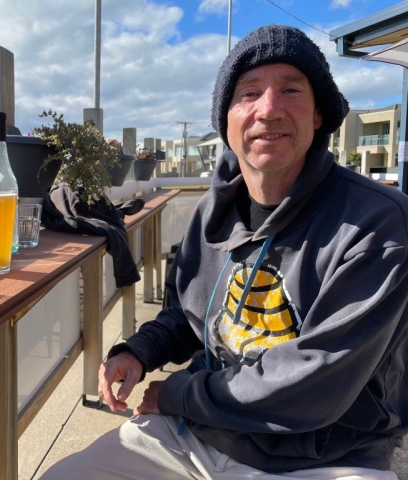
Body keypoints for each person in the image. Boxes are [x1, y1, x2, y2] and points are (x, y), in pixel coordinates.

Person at [41, 24, 408, 480]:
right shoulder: (212, 213)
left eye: (290, 89)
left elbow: (316, 384)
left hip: (325, 454)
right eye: (248, 93)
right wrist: (138, 351)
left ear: (318, 115)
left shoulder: (379, 222)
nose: (268, 109)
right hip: (200, 434)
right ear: (226, 120)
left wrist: (177, 394)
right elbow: (189, 314)